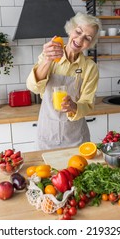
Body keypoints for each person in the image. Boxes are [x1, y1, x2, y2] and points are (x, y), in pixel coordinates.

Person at [26, 12, 101, 150]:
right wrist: (47, 60)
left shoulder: (90, 68)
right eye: (78, 31)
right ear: (71, 29)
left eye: (87, 38)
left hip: (76, 136)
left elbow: (88, 103)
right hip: (48, 133)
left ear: (90, 44)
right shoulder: (50, 54)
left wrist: (73, 106)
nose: (80, 39)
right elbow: (33, 87)